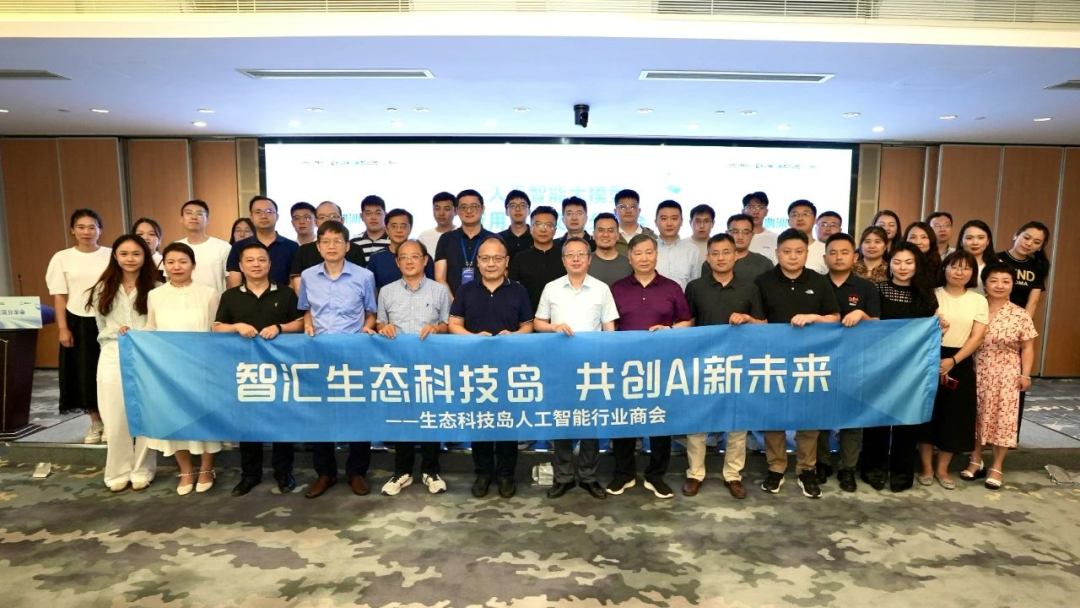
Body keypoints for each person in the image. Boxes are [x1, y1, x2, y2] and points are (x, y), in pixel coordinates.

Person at [213, 241, 304, 497]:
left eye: (262, 260)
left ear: (270, 264)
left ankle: (283, 472)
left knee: (281, 422)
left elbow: (300, 324)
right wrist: (236, 326)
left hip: (280, 370)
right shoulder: (230, 296)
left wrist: (279, 327)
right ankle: (249, 475)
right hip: (246, 372)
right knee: (247, 423)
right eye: (250, 260)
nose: (256, 265)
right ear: (241, 266)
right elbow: (217, 327)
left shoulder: (286, 293)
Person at [755, 228, 841, 498]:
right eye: (787, 251)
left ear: (807, 253)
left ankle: (806, 469)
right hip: (773, 360)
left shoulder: (819, 281)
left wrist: (814, 317)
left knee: (809, 417)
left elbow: (835, 317)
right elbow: (758, 321)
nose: (793, 257)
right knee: (773, 417)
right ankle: (776, 467)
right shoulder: (762, 282)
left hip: (810, 361)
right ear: (777, 253)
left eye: (799, 251)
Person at [607, 234, 692, 500]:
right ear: (629, 258)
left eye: (649, 252)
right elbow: (608, 325)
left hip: (660, 366)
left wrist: (670, 330)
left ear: (656, 255)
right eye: (638, 253)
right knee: (624, 419)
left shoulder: (672, 287)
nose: (644, 258)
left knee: (659, 419)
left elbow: (687, 321)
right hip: (625, 367)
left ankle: (656, 475)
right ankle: (624, 473)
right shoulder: (616, 288)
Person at [450, 236, 534, 498]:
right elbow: (454, 324)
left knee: (507, 422)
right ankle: (483, 473)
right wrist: (474, 338)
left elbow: (528, 326)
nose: (491, 263)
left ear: (506, 261)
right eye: (485, 258)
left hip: (509, 369)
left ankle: (507, 474)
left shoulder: (518, 290)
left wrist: (514, 336)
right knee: (481, 422)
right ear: (477, 261)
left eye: (497, 258)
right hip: (475, 369)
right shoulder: (466, 290)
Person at [683, 233, 766, 499]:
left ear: (735, 255)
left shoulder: (750, 288)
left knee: (737, 423)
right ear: (708, 257)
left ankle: (733, 475)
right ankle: (695, 473)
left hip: (738, 364)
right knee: (697, 422)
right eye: (715, 253)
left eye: (726, 252)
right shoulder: (695, 287)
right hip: (702, 364)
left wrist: (747, 319)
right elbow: (688, 325)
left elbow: (764, 325)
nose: (720, 258)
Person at [535, 237, 619, 500]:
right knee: (561, 421)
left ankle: (589, 476)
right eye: (570, 254)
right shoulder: (551, 288)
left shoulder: (602, 289)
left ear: (589, 259)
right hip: (559, 367)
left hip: (592, 369)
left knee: (589, 423)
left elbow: (609, 328)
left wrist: (607, 361)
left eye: (581, 254)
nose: (575, 259)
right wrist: (553, 327)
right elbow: (538, 323)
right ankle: (563, 477)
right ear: (563, 260)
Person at [299, 220, 378, 499]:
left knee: (357, 412)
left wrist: (366, 330)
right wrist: (307, 324)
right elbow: (306, 310)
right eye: (326, 241)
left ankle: (357, 472)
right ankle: (325, 473)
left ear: (347, 245)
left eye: (337, 241)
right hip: (319, 354)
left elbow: (371, 312)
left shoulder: (364, 276)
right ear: (318, 246)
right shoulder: (308, 276)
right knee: (320, 414)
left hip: (353, 355)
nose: (331, 246)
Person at [860, 242, 939, 492]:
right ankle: (873, 470)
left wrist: (939, 325)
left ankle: (902, 473)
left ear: (917, 265)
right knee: (877, 419)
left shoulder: (926, 295)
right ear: (889, 264)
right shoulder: (877, 289)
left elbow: (928, 331)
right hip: (880, 365)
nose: (902, 267)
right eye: (897, 262)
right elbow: (871, 326)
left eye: (908, 262)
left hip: (912, 368)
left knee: (908, 421)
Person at [375, 239, 452, 496]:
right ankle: (402, 472)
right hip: (397, 365)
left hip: (430, 365)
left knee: (430, 417)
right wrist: (383, 327)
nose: (409, 261)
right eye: (404, 257)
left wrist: (437, 329)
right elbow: (380, 323)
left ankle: (431, 470)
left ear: (425, 260)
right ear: (397, 262)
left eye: (415, 256)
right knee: (402, 418)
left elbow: (448, 325)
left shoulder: (439, 291)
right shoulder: (386, 292)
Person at [144, 242, 223, 495]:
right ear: (163, 266)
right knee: (174, 418)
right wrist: (131, 334)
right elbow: (151, 328)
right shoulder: (155, 295)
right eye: (171, 262)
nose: (176, 267)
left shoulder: (209, 293)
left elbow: (216, 330)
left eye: (183, 261)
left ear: (193, 265)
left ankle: (207, 468)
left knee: (203, 417)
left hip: (201, 368)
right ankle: (186, 470)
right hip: (167, 370)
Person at [88, 234, 159, 492]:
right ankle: (117, 471)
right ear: (115, 257)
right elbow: (100, 324)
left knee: (146, 413)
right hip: (112, 352)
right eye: (124, 254)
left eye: (136, 253)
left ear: (145, 256)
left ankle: (142, 469)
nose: (130, 259)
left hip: (147, 353)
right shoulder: (102, 288)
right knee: (115, 414)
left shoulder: (157, 288)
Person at [964, 263, 1038, 490]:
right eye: (994, 280)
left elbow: (1028, 347)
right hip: (976, 369)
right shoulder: (975, 307)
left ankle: (997, 466)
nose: (999, 285)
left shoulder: (1020, 314)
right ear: (984, 284)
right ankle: (975, 459)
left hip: (1007, 372)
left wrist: (1026, 374)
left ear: (1012, 285)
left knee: (1002, 418)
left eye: (1006, 281)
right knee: (976, 415)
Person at [817, 233, 881, 492]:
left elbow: (876, 324)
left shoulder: (867, 288)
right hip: (821, 360)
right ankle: (822, 462)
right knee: (819, 413)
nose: (838, 257)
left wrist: (861, 314)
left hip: (856, 360)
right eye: (833, 252)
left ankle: (847, 468)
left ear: (855, 257)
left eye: (844, 252)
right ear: (825, 258)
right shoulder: (816, 284)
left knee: (852, 417)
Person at [920, 250, 988, 490]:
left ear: (973, 273)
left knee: (954, 417)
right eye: (954, 266)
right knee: (928, 415)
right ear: (944, 269)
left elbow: (977, 336)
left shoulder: (978, 300)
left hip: (960, 361)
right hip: (929, 357)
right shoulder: (931, 295)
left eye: (966, 268)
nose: (960, 272)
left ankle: (942, 469)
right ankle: (926, 468)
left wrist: (953, 361)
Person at [45, 209, 112, 443]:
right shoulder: (62, 257)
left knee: (110, 373)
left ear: (100, 230)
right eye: (81, 227)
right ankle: (95, 422)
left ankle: (113, 422)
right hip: (77, 321)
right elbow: (59, 295)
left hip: (109, 319)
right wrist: (63, 328)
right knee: (84, 372)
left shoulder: (111, 255)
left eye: (92, 227)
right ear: (73, 230)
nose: (87, 232)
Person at [996, 220, 1051, 437]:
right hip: (991, 323)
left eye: (1036, 242)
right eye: (1026, 237)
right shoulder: (997, 259)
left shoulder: (1036, 267)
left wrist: (1020, 328)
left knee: (1014, 380)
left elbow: (1033, 302)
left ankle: (1009, 435)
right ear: (1015, 235)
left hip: (1016, 328)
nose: (1029, 244)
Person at [289, 201, 367, 292]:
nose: (328, 221)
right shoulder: (304, 250)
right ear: (315, 222)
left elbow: (361, 283)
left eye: (333, 216)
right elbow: (298, 287)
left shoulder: (355, 249)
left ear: (342, 220)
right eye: (322, 217)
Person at [435, 189, 496, 299]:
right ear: (457, 210)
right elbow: (440, 277)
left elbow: (500, 275)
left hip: (487, 302)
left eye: (474, 206)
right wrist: (455, 303)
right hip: (452, 303)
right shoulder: (446, 239)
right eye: (463, 207)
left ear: (483, 209)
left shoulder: (494, 239)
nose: (469, 211)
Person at [226, 196, 299, 289]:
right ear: (251, 217)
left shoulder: (292, 246)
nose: (263, 216)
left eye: (269, 211)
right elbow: (235, 284)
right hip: (247, 297)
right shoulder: (239, 246)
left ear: (277, 217)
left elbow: (294, 283)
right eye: (258, 212)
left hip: (284, 297)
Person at [509, 206, 567, 313]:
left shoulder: (565, 257)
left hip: (560, 315)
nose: (543, 229)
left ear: (555, 230)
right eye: (538, 224)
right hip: (527, 315)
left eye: (549, 225)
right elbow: (512, 290)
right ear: (531, 229)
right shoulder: (520, 258)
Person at [366, 209, 435, 289]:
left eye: (403, 226)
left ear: (410, 229)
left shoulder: (422, 257)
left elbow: (431, 286)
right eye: (394, 226)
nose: (399, 230)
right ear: (386, 230)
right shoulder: (376, 258)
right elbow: (372, 290)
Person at [177, 200, 233, 294]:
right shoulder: (175, 248)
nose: (194, 217)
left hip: (215, 301)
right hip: (182, 301)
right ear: (182, 219)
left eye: (199, 213)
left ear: (207, 220)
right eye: (189, 213)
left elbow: (231, 283)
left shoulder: (223, 247)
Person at [700, 213, 773, 280]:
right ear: (727, 233)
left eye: (746, 232)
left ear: (752, 235)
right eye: (735, 232)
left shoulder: (764, 263)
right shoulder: (713, 263)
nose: (740, 236)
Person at [654, 200, 700, 290]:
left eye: (674, 219)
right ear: (656, 222)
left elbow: (696, 285)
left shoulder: (692, 250)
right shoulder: (648, 249)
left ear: (681, 221)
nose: (669, 224)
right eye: (664, 219)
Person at [588, 212, 632, 286]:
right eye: (601, 230)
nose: (605, 235)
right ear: (594, 235)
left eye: (611, 231)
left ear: (618, 235)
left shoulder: (629, 264)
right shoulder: (584, 262)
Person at [957, 219, 998, 293]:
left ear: (988, 241)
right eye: (969, 238)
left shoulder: (998, 265)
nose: (975, 243)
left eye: (981, 238)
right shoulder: (950, 265)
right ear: (961, 242)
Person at [787, 200, 827, 274]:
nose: (800, 218)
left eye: (806, 214)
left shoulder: (825, 249)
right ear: (788, 221)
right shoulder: (780, 249)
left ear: (815, 220)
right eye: (795, 215)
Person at [613, 189, 658, 255]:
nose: (628, 211)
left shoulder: (653, 238)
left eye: (633, 207)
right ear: (615, 211)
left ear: (639, 211)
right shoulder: (608, 237)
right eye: (622, 207)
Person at [351, 194, 392, 259]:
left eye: (378, 213)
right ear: (362, 216)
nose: (373, 217)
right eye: (368, 213)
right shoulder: (353, 242)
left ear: (385, 215)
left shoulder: (393, 240)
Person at [417, 192, 458, 256]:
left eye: (447, 209)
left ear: (456, 211)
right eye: (437, 209)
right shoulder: (424, 237)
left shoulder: (462, 234)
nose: (441, 213)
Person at [742, 191, 778, 262]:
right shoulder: (736, 237)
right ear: (743, 211)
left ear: (766, 212)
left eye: (761, 207)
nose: (756, 212)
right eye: (751, 207)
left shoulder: (776, 238)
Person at [498, 189, 533, 258]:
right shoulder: (498, 239)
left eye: (522, 205)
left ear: (529, 211)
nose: (518, 209)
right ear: (506, 211)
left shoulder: (537, 237)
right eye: (513, 205)